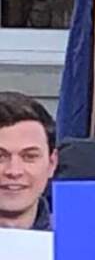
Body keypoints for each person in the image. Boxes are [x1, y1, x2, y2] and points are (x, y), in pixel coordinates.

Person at [0, 91, 57, 231]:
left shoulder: (83, 243)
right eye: (0, 157)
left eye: (29, 157)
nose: (14, 171)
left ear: (52, 164)